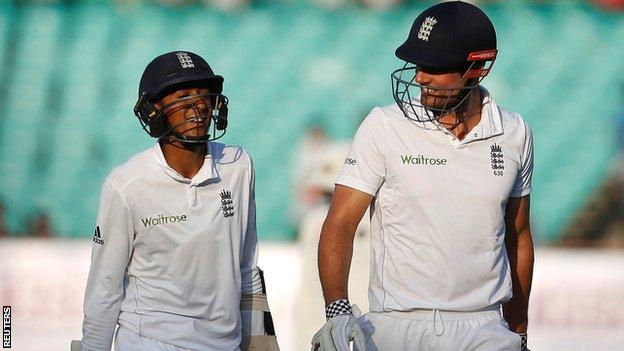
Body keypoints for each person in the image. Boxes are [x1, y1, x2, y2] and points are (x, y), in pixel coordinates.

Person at [312, 2, 534, 351]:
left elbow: (518, 237)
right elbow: (340, 224)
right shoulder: (384, 125)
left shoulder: (514, 132)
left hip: (485, 326)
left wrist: (519, 330)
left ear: (477, 68)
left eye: (435, 67)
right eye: (418, 65)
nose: (420, 77)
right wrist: (337, 310)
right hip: (394, 326)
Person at [76, 51, 279, 351]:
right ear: (154, 110)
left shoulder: (239, 167)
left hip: (224, 345)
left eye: (203, 95)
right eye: (183, 96)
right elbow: (105, 288)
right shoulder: (126, 185)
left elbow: (247, 268)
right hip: (149, 342)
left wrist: (260, 343)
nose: (198, 106)